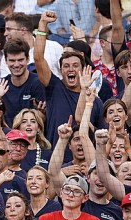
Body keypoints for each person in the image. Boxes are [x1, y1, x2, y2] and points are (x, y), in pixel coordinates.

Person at [34, 11, 102, 143]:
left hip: (86, 160)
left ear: (83, 69)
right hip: (58, 159)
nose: (70, 69)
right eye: (66, 66)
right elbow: (38, 58)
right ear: (60, 71)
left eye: (75, 65)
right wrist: (42, 24)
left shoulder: (94, 100)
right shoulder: (54, 87)